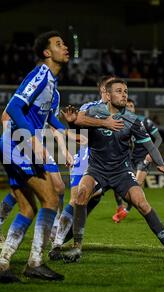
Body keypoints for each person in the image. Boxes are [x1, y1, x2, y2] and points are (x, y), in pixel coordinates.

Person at [62, 78, 164, 263]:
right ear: (108, 95)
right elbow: (78, 129)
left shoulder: (132, 120)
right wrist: (71, 124)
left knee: (142, 203)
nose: (124, 94)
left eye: (126, 91)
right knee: (81, 194)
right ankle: (76, 247)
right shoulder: (94, 112)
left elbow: (150, 145)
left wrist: (160, 164)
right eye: (119, 91)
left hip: (121, 172)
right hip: (97, 170)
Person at [0, 30, 73, 283]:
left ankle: (2, 265)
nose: (65, 47)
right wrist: (34, 140)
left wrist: (68, 128)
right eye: (59, 44)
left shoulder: (53, 86)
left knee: (27, 208)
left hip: (17, 147)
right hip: (17, 146)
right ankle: (35, 262)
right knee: (51, 199)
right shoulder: (41, 74)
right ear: (47, 53)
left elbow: (47, 118)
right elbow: (14, 108)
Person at [48, 75, 124, 260]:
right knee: (76, 200)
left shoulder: (120, 112)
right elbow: (77, 122)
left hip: (104, 163)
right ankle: (56, 244)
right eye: (111, 87)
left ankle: (60, 234)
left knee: (87, 202)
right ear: (104, 91)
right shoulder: (89, 108)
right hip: (85, 159)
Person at [112, 98, 163, 223]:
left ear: (134, 108)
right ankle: (120, 207)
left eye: (131, 106)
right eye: (127, 106)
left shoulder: (144, 121)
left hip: (143, 158)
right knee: (116, 183)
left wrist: (151, 153)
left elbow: (158, 138)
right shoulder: (120, 122)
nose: (129, 108)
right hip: (128, 158)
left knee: (137, 185)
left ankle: (126, 211)